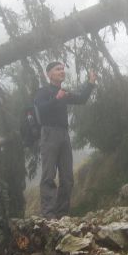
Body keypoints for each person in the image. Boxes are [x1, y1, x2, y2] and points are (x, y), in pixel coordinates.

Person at [34, 61, 97, 219]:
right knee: (49, 175)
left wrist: (90, 83)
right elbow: (40, 109)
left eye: (63, 69)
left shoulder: (64, 92)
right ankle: (49, 215)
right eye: (58, 69)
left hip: (63, 134)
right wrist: (56, 98)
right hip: (48, 133)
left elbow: (81, 99)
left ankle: (62, 214)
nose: (62, 71)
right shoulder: (43, 91)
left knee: (67, 177)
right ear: (49, 74)